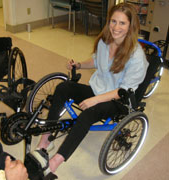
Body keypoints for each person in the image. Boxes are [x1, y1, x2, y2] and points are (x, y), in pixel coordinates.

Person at [37, 2, 149, 175]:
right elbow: (97, 61)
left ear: (130, 26)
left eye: (122, 23)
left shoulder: (136, 56)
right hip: (99, 88)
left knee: (88, 114)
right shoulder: (105, 41)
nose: (116, 27)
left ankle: (55, 162)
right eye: (113, 21)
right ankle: (46, 139)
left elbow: (123, 91)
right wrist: (80, 64)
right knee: (63, 87)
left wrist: (94, 100)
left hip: (119, 99)